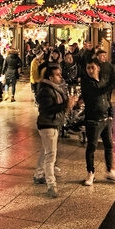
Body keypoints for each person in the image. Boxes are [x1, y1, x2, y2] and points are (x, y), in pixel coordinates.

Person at [78, 55, 115, 185]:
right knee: (91, 147)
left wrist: (110, 114)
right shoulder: (86, 83)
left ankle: (110, 170)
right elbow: (98, 91)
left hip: (105, 119)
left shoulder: (102, 80)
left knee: (108, 145)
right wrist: (113, 82)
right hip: (93, 120)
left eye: (93, 67)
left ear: (98, 68)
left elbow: (107, 97)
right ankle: (90, 173)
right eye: (88, 68)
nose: (90, 70)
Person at [34, 62, 76, 198]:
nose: (60, 77)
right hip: (48, 124)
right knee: (51, 156)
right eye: (57, 75)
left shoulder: (52, 88)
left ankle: (38, 174)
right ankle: (51, 185)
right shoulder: (46, 90)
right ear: (50, 78)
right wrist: (66, 104)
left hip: (52, 123)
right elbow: (48, 109)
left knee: (46, 151)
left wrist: (71, 104)